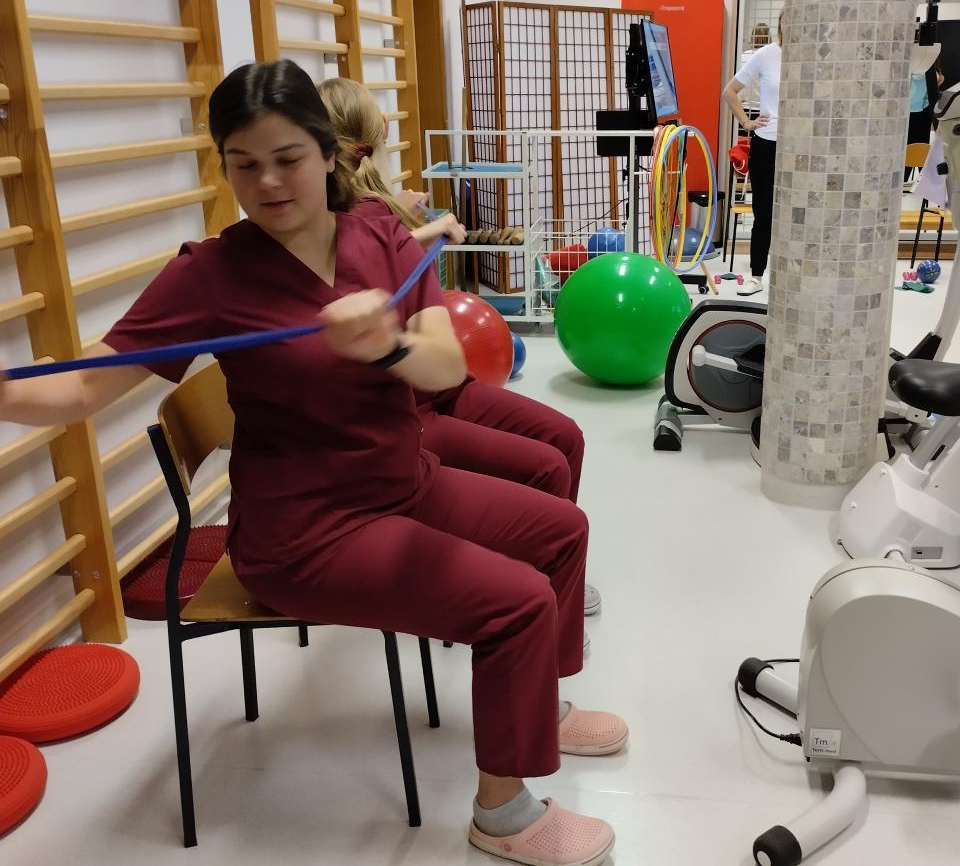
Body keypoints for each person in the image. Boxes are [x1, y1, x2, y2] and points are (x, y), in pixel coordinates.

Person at [0, 60, 623, 866]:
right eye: (243, 163)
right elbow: (85, 385)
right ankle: (502, 814)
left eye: (287, 158)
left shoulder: (378, 234)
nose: (267, 182)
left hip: (405, 484)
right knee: (517, 603)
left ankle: (541, 707)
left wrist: (386, 344)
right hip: (306, 535)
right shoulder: (208, 275)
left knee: (562, 530)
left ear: (329, 154)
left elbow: (444, 365)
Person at [317, 76, 602, 621]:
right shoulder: (354, 222)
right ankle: (544, 581)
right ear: (375, 135)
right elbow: (362, 261)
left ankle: (552, 572)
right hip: (414, 410)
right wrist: (409, 228)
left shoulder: (378, 214)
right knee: (548, 464)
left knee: (564, 436)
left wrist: (414, 227)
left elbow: (379, 251)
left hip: (442, 388)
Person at [722, 12, 782, 297]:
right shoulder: (766, 54)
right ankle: (756, 276)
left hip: (800, 147)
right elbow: (729, 92)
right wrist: (746, 122)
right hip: (766, 143)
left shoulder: (813, 58)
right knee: (763, 212)